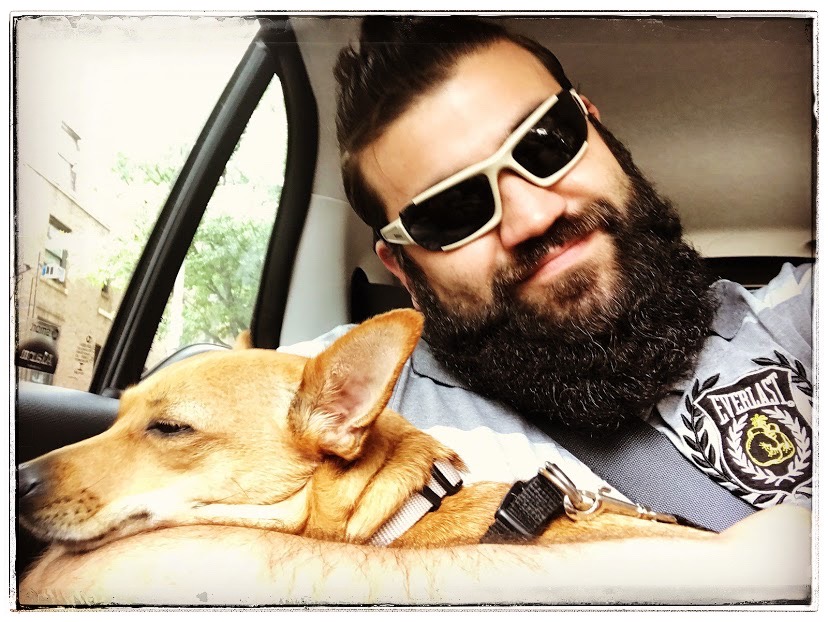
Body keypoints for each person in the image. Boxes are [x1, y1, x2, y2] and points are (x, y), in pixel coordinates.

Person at [19, 16, 812, 606]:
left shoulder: (799, 314)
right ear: (402, 265)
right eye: (450, 210)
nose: (531, 213)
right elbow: (65, 585)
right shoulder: (332, 385)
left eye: (545, 142)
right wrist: (722, 574)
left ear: (596, 127)